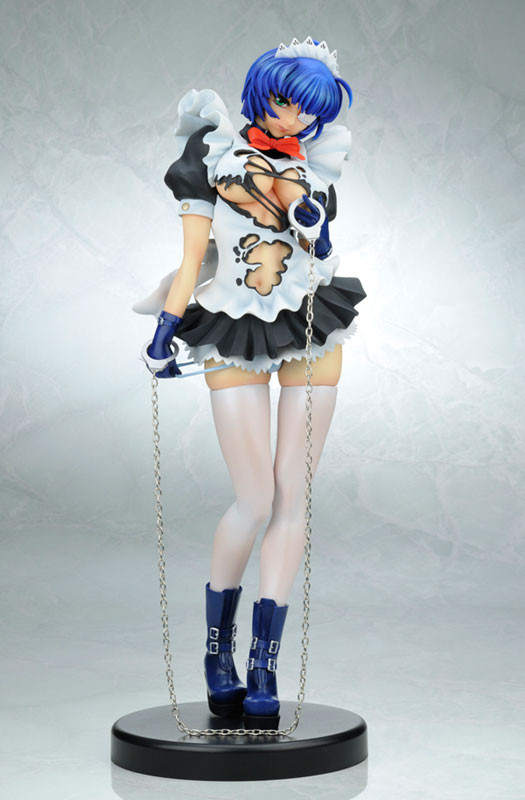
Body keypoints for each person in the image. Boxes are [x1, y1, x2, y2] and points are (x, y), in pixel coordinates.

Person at [137, 36, 367, 725]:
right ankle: (218, 652)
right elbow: (191, 259)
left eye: (308, 112)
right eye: (285, 103)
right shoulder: (209, 154)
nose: (295, 119)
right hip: (231, 324)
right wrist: (164, 330)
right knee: (255, 498)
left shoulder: (313, 169)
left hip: (310, 324)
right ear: (259, 91)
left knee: (292, 498)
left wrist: (314, 227)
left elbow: (320, 253)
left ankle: (265, 663)